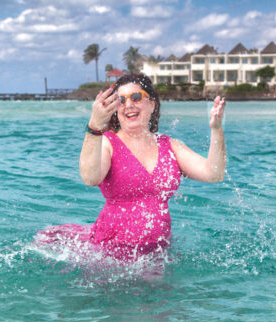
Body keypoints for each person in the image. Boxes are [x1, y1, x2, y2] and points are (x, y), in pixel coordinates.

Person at [34, 73, 226, 261]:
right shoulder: (108, 143)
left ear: (152, 104)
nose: (129, 105)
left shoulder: (171, 146)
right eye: (121, 100)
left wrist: (216, 130)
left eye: (136, 97)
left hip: (156, 253)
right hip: (108, 252)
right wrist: (94, 125)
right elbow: (90, 178)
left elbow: (213, 173)